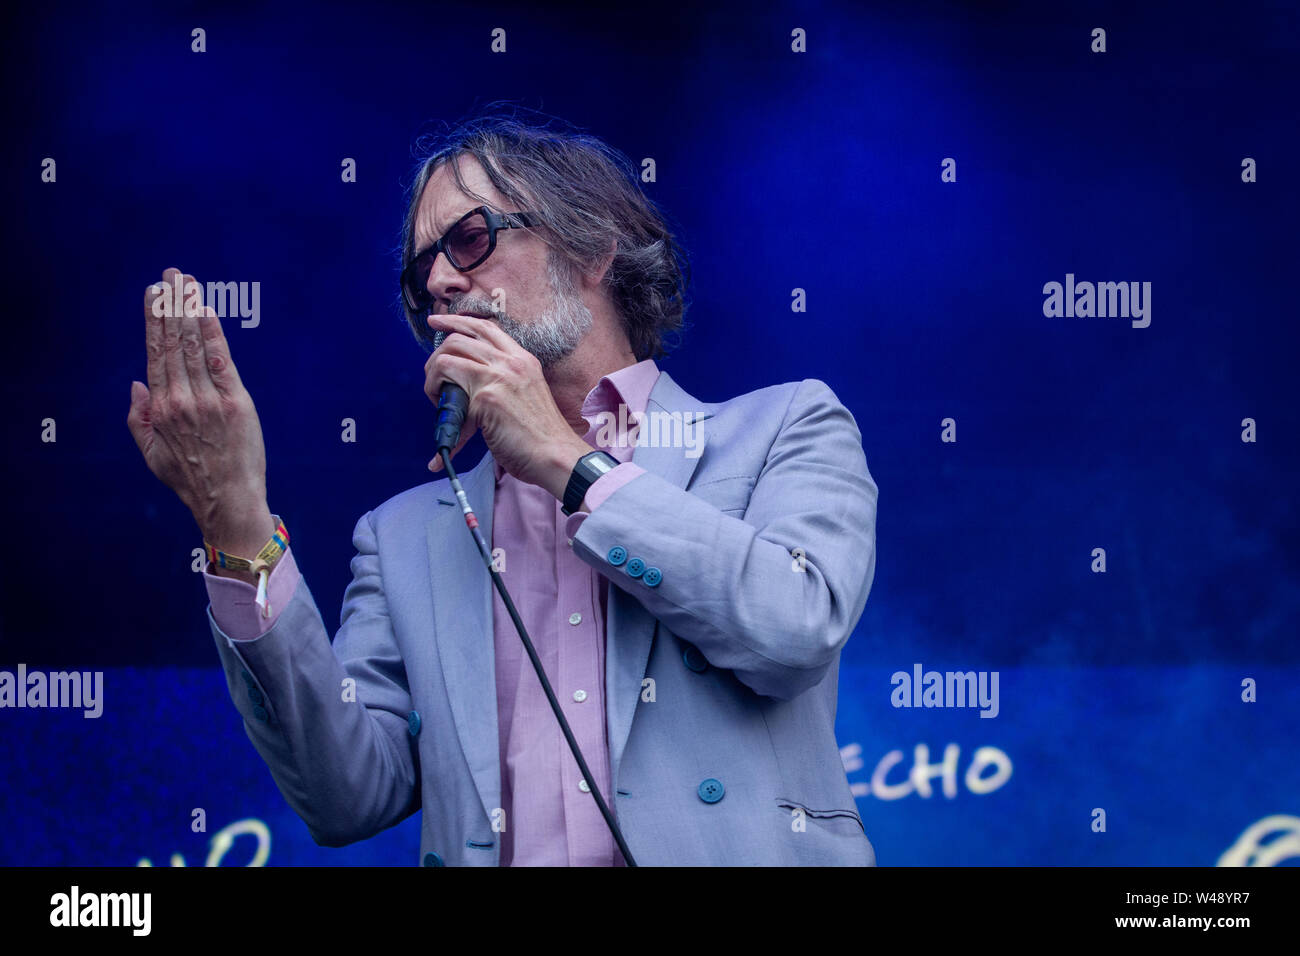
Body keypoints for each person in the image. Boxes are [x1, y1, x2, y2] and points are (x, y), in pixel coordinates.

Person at [126, 109, 880, 866]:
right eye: (421, 270)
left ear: (591, 248)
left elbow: (795, 630)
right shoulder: (402, 535)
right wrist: (235, 519)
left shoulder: (783, 426)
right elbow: (345, 796)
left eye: (469, 239)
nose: (441, 282)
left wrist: (563, 457)